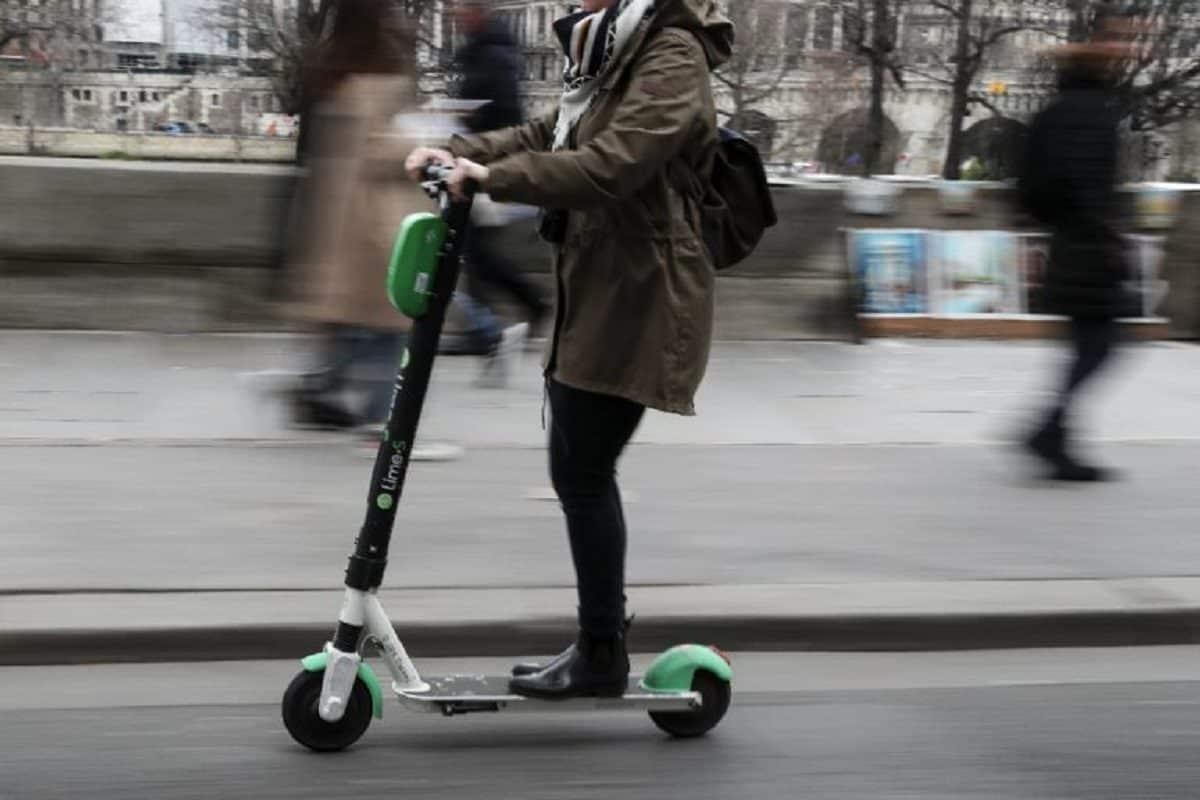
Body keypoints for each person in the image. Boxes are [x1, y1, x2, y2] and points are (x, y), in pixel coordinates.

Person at [407, 0, 733, 699]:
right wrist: (462, 153)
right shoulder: (608, 50)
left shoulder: (671, 53)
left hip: (646, 297)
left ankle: (602, 652)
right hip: (602, 287)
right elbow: (546, 133)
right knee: (578, 470)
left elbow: (611, 166)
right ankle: (598, 645)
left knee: (583, 472)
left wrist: (490, 178)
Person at [283, 0, 426, 433]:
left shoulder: (329, 69)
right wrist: (428, 140)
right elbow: (378, 151)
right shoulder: (377, 79)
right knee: (389, 327)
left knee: (354, 325)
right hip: (376, 222)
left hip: (337, 222)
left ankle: (322, 389)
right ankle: (382, 421)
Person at [1018, 6, 1137, 481]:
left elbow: (1033, 182)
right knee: (1100, 344)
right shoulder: (1092, 113)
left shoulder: (1055, 110)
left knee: (1091, 344)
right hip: (1087, 245)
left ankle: (1052, 434)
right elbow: (1085, 179)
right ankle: (1048, 432)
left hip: (1069, 238)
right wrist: (1106, 234)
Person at [451, 0, 550, 387]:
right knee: (474, 252)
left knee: (474, 252)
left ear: (478, 12)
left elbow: (507, 115)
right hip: (481, 162)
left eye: (460, 9)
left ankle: (501, 323)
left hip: (488, 168)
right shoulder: (484, 51)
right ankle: (489, 329)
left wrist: (469, 121)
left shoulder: (492, 54)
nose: (454, 17)